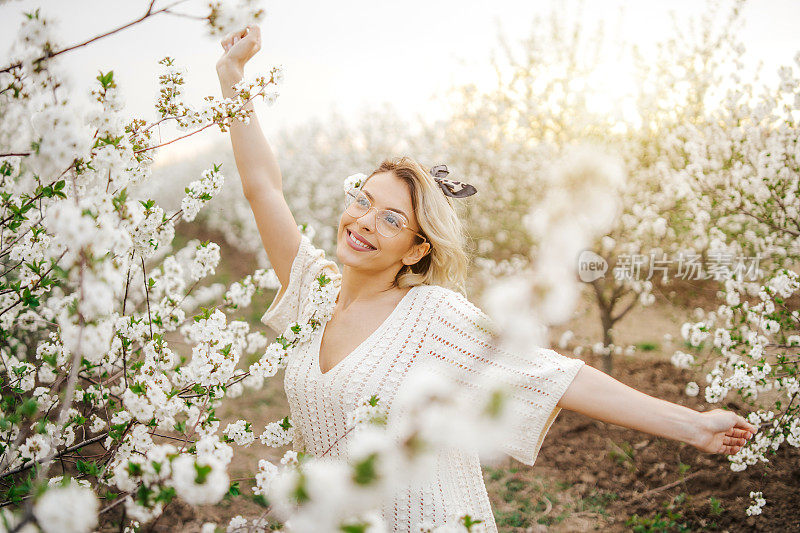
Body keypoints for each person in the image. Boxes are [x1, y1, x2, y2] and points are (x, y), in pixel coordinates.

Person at [216, 24, 759, 533]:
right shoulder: (313, 294)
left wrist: (692, 426)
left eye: (391, 219)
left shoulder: (430, 316)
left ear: (416, 250)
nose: (363, 221)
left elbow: (560, 377)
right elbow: (263, 187)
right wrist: (233, 80)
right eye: (363, 201)